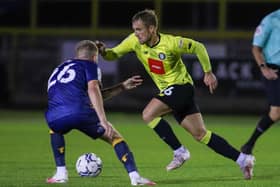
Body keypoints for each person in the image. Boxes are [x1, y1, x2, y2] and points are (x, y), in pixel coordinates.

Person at [95, 9, 255, 179]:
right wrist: (104, 51)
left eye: (139, 29)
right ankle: (243, 159)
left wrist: (208, 72)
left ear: (152, 29)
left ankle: (180, 152)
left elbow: (198, 47)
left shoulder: (171, 43)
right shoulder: (134, 41)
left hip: (182, 87)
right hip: (171, 93)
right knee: (201, 134)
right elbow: (114, 54)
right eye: (134, 29)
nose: (136, 34)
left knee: (148, 114)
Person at [45, 40, 156, 186]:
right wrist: (103, 120)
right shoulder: (90, 65)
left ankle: (61, 173)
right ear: (94, 57)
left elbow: (86, 94)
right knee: (115, 137)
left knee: (55, 129)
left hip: (53, 115)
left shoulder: (59, 68)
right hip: (80, 111)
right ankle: (135, 177)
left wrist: (121, 86)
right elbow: (93, 89)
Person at [241, 9, 280, 154]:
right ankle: (249, 144)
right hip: (274, 70)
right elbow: (256, 48)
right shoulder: (271, 19)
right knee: (276, 113)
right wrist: (264, 68)